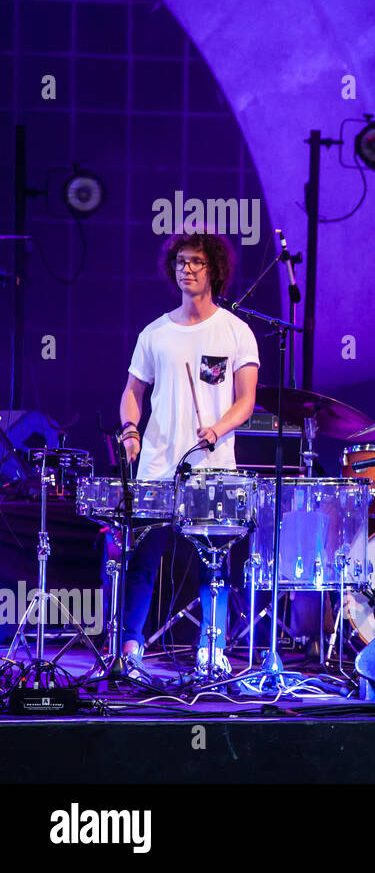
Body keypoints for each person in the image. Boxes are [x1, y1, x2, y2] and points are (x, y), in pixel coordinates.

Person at [115, 231, 259, 675]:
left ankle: (210, 648)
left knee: (213, 562)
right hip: (157, 466)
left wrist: (217, 429)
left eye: (196, 262)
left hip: (212, 470)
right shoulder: (155, 333)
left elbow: (246, 401)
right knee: (141, 561)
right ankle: (131, 647)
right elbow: (132, 392)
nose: (187, 269)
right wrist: (130, 430)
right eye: (181, 261)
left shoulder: (236, 332)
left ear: (214, 269)